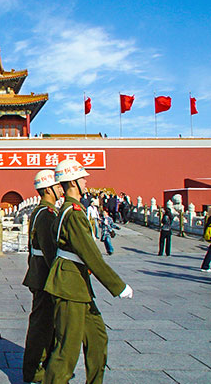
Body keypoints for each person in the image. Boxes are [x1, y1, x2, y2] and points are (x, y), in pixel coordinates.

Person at [43, 160, 133, 384]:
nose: (86, 182)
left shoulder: (73, 210)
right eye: (83, 179)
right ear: (72, 182)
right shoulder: (73, 214)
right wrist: (118, 285)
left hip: (78, 284)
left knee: (97, 338)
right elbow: (90, 253)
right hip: (69, 286)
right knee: (67, 350)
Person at [22, 169, 62, 384]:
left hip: (39, 274)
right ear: (48, 189)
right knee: (42, 326)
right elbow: (49, 250)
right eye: (57, 186)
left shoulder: (41, 211)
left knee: (45, 324)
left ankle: (41, 367)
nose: (60, 189)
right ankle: (35, 371)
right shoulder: (46, 214)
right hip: (45, 277)